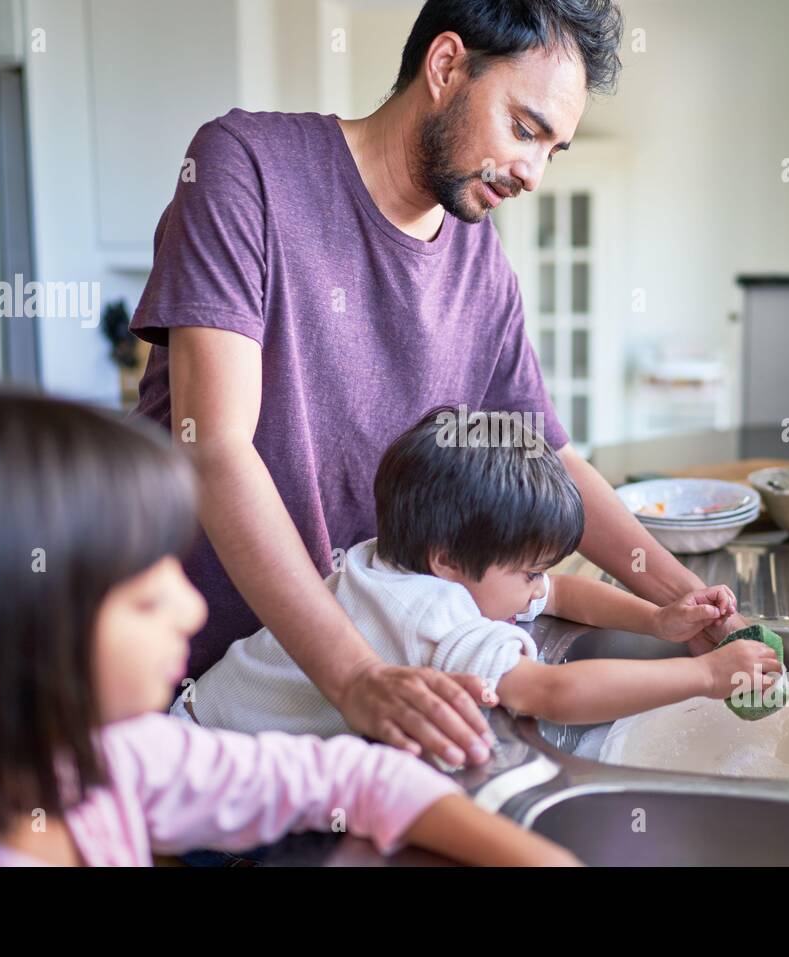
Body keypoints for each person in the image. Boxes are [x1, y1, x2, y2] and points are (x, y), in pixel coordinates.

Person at [127, 0, 735, 768]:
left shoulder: (479, 266)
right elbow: (215, 446)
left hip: (346, 726)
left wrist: (683, 600)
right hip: (193, 703)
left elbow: (549, 456)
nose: (533, 174)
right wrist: (355, 676)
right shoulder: (245, 165)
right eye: (525, 128)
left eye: (555, 150)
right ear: (446, 67)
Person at [0, 379, 576, 867]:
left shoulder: (117, 760)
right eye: (145, 595)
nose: (192, 609)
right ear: (3, 632)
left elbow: (354, 774)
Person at [173, 408, 778, 737]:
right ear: (447, 561)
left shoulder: (399, 556)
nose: (539, 584)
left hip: (197, 719)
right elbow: (550, 694)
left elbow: (562, 591)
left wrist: (658, 619)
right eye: (528, 571)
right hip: (206, 778)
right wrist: (704, 675)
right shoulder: (428, 615)